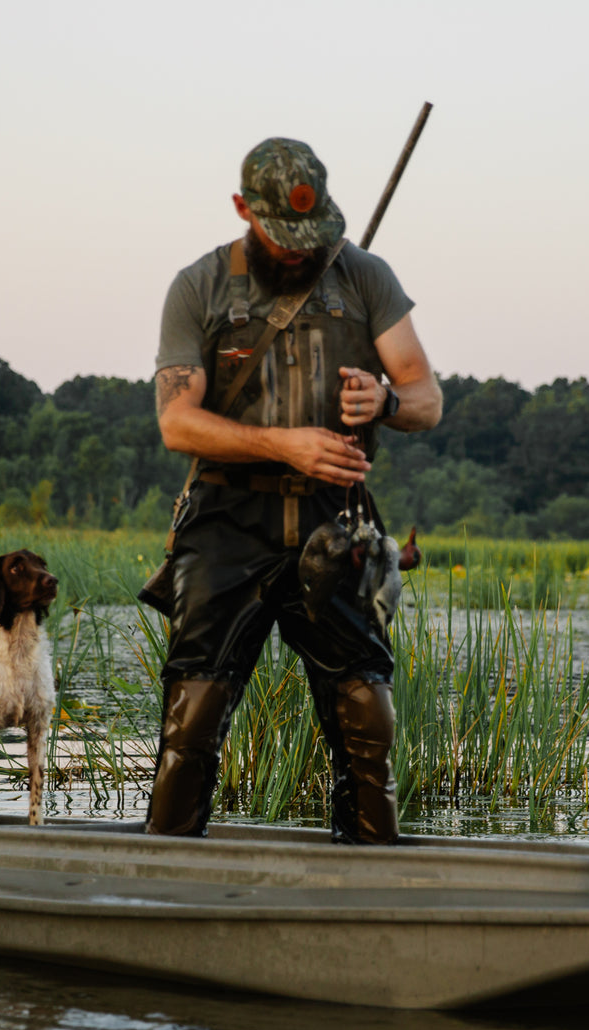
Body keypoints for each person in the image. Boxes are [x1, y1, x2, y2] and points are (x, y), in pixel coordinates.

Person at [146, 137, 441, 844]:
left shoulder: (366, 276)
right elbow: (177, 423)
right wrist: (284, 444)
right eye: (283, 236)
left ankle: (373, 861)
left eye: (310, 236)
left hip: (335, 525)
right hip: (225, 519)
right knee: (194, 709)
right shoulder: (199, 285)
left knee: (365, 707)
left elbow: (426, 398)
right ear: (242, 209)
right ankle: (166, 863)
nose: (299, 251)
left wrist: (385, 402)